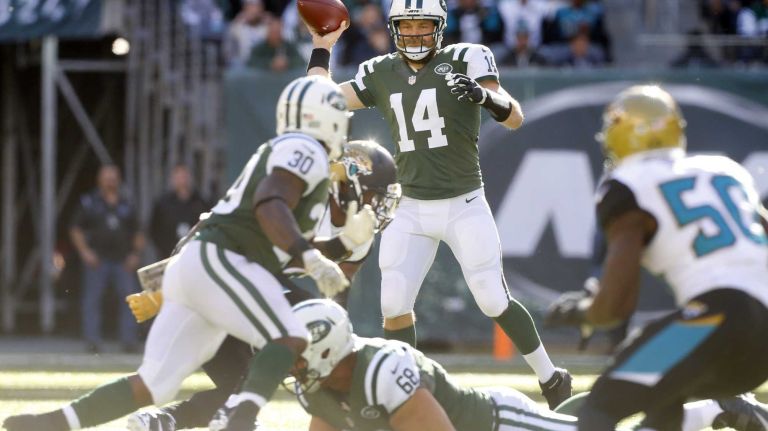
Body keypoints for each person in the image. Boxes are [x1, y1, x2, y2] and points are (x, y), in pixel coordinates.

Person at [2, 75, 375, 431]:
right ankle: (240, 420)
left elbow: (275, 242)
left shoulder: (295, 158)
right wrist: (311, 257)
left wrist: (337, 247)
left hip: (200, 267)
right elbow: (270, 203)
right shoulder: (304, 148)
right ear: (323, 118)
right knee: (290, 335)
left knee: (153, 385)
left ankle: (51, 423)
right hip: (221, 261)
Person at [304, 0, 573, 409]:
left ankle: (551, 377)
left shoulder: (467, 57)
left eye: (422, 26)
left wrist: (484, 97)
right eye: (405, 27)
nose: (413, 34)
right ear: (394, 29)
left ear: (440, 26)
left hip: (464, 202)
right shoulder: (380, 70)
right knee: (393, 304)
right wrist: (322, 46)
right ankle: (408, 392)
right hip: (409, 206)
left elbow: (514, 117)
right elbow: (318, 101)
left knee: (492, 299)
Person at [124, 140, 402, 431]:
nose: (377, 206)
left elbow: (335, 301)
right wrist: (167, 284)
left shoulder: (360, 233)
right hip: (209, 266)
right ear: (345, 183)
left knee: (243, 385)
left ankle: (162, 421)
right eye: (373, 196)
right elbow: (217, 237)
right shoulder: (298, 200)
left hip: (250, 280)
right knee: (302, 310)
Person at [545, 85, 768, 430]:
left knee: (602, 405)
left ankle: (732, 409)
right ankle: (734, 410)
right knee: (662, 395)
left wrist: (582, 312)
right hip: (754, 333)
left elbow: (616, 306)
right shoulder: (725, 170)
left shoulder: (627, 183)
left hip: (716, 319)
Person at [287, 298, 768, 431]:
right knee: (576, 420)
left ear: (329, 352)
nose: (292, 364)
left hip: (498, 425)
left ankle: (714, 410)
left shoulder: (383, 372)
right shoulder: (320, 385)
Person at [69, 164, 145, 353]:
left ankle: (129, 340)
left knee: (130, 300)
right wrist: (85, 252)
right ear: (99, 180)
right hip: (98, 259)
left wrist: (135, 254)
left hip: (123, 260)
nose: (110, 181)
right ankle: (92, 340)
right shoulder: (89, 202)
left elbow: (138, 232)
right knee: (92, 300)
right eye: (107, 177)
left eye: (113, 177)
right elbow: (75, 229)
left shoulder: (127, 204)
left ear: (118, 180)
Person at [148, 164, 210, 258]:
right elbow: (154, 229)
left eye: (184, 176)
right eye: (178, 177)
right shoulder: (163, 204)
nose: (182, 181)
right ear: (173, 179)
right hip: (168, 255)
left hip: (194, 255)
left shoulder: (200, 202)